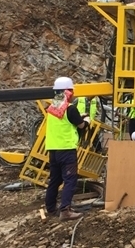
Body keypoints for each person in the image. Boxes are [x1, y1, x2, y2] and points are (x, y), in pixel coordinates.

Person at [45, 76, 90, 221]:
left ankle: (51, 209)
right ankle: (65, 211)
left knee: (55, 180)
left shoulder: (52, 108)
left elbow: (64, 121)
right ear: (68, 92)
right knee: (70, 180)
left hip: (53, 150)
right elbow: (81, 125)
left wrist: (78, 117)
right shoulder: (70, 109)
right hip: (66, 150)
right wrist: (86, 121)